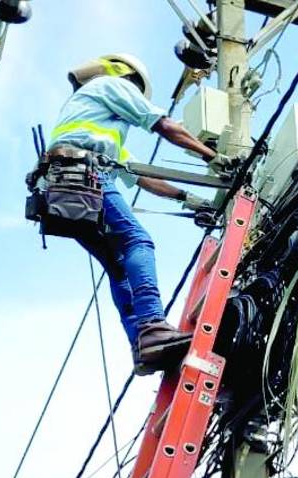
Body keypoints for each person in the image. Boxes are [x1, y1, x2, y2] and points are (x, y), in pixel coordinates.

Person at [45, 53, 234, 375]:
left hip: (61, 185)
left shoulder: (96, 128)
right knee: (138, 241)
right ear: (128, 78)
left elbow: (140, 176)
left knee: (119, 268)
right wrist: (212, 156)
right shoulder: (111, 85)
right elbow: (163, 125)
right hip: (84, 176)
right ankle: (153, 327)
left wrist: (189, 199)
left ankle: (143, 346)